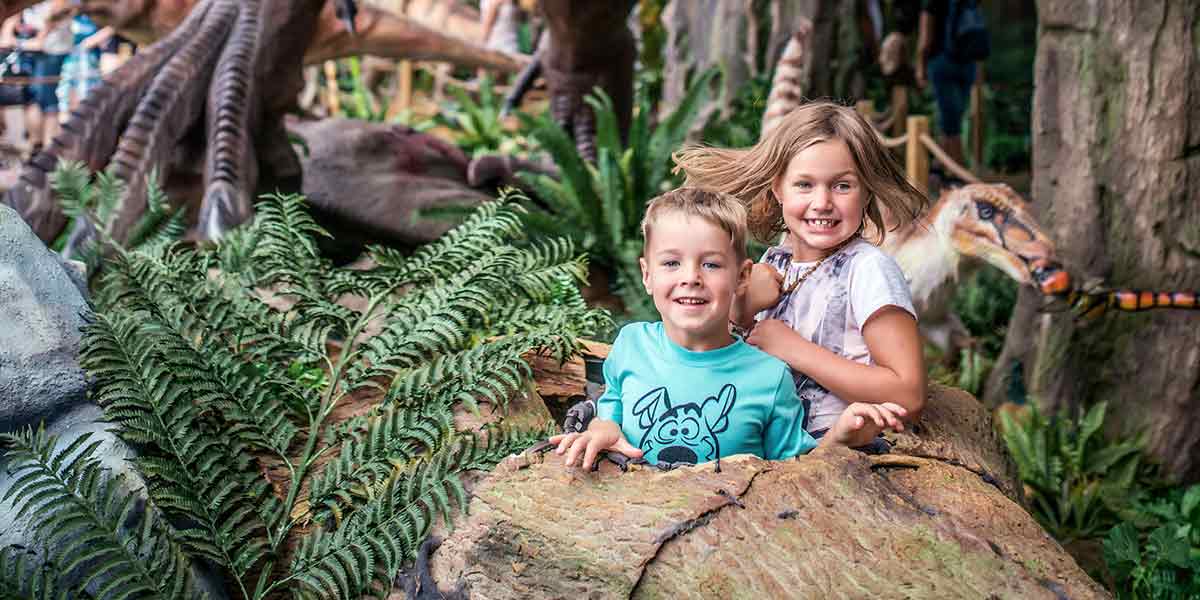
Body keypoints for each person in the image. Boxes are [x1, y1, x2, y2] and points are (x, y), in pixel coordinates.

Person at [549, 188, 909, 470]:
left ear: (741, 277)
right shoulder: (631, 344)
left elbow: (797, 470)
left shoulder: (769, 378)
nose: (691, 278)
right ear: (647, 274)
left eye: (711, 264)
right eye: (671, 263)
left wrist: (842, 438)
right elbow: (613, 400)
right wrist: (603, 426)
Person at [673, 101, 927, 441]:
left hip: (835, 441)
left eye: (842, 186)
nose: (822, 202)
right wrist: (742, 312)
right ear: (778, 188)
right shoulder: (774, 262)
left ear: (866, 190)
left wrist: (796, 349)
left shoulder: (868, 269)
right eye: (804, 185)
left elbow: (908, 394)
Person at [914, 0, 979, 168]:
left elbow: (925, 39)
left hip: (942, 61)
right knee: (955, 117)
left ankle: (955, 168)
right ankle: (944, 166)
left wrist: (920, 67)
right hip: (967, 62)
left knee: (949, 120)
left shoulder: (931, 3)